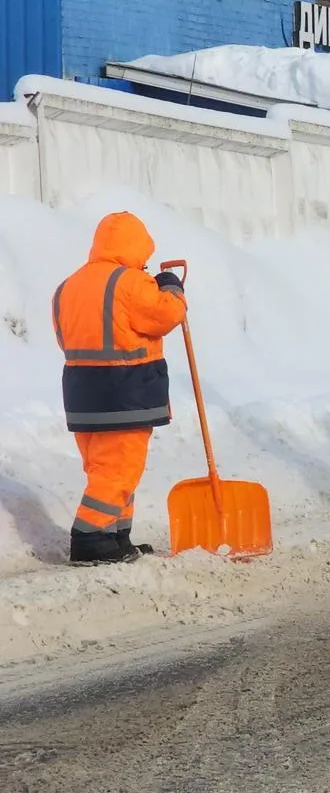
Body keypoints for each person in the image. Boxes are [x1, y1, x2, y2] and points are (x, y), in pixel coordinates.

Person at [52, 211, 188, 565]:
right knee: (119, 470)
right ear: (137, 247)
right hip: (125, 392)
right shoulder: (129, 283)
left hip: (82, 394)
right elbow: (165, 315)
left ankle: (115, 538)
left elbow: (65, 338)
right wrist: (172, 286)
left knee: (105, 471)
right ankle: (90, 538)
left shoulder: (68, 286)